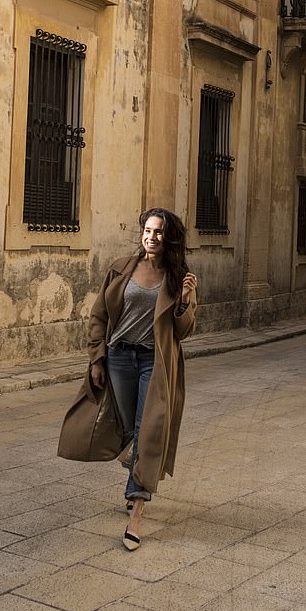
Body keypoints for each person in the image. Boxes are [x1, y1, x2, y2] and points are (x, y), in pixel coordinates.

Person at [88, 207, 197, 550]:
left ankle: (136, 512)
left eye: (159, 232)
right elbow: (99, 316)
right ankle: (136, 465)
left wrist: (184, 303)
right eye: (148, 230)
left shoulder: (180, 278)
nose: (152, 237)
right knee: (128, 429)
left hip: (155, 361)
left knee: (148, 431)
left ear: (169, 238)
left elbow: (184, 331)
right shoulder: (121, 268)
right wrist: (97, 358)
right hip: (119, 357)